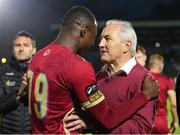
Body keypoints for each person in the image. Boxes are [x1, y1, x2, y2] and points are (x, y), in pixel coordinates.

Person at [26, 6, 159, 134]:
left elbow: (139, 130)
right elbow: (103, 117)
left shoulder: (145, 80)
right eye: (98, 38)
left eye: (107, 39)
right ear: (84, 31)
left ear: (126, 46)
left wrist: (95, 125)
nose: (99, 44)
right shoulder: (96, 74)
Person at [0, 31, 36, 133]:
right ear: (13, 49)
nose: (21, 49)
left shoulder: (41, 73)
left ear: (34, 50)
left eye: (26, 45)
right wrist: (19, 93)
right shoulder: (3, 72)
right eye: (17, 45)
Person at [148, 53, 178, 134]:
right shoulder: (166, 81)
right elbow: (173, 104)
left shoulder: (142, 79)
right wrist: (175, 121)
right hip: (161, 122)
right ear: (161, 66)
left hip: (145, 122)